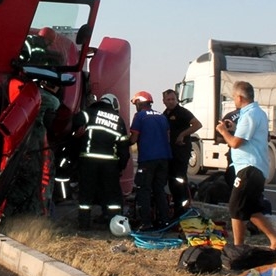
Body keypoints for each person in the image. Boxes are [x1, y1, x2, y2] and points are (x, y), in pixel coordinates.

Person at [215, 81, 276, 251]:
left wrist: (224, 131)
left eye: (234, 97)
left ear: (240, 97)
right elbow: (248, 135)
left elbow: (235, 143)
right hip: (255, 167)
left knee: (235, 206)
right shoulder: (256, 113)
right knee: (250, 208)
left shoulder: (249, 115)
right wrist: (234, 127)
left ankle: (238, 247)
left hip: (249, 167)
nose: (234, 100)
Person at [73, 93, 129, 229]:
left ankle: (84, 225)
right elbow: (123, 148)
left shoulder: (88, 113)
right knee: (112, 195)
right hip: (110, 164)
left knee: (86, 193)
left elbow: (76, 124)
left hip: (88, 161)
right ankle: (115, 225)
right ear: (114, 104)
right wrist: (120, 166)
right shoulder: (118, 120)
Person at [129, 91, 171, 230]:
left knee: (144, 190)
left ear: (140, 103)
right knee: (159, 190)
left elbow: (134, 138)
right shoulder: (162, 116)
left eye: (136, 104)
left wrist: (123, 143)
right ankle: (164, 221)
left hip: (147, 159)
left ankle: (146, 222)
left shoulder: (139, 116)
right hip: (164, 158)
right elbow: (167, 136)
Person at [162, 89, 202, 218]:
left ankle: (183, 209)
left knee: (180, 181)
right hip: (169, 153)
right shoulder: (165, 114)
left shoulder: (182, 112)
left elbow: (197, 124)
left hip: (181, 153)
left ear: (177, 99)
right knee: (172, 181)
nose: (171, 102)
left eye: (173, 99)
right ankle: (176, 206)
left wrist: (182, 134)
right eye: (168, 99)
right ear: (163, 101)